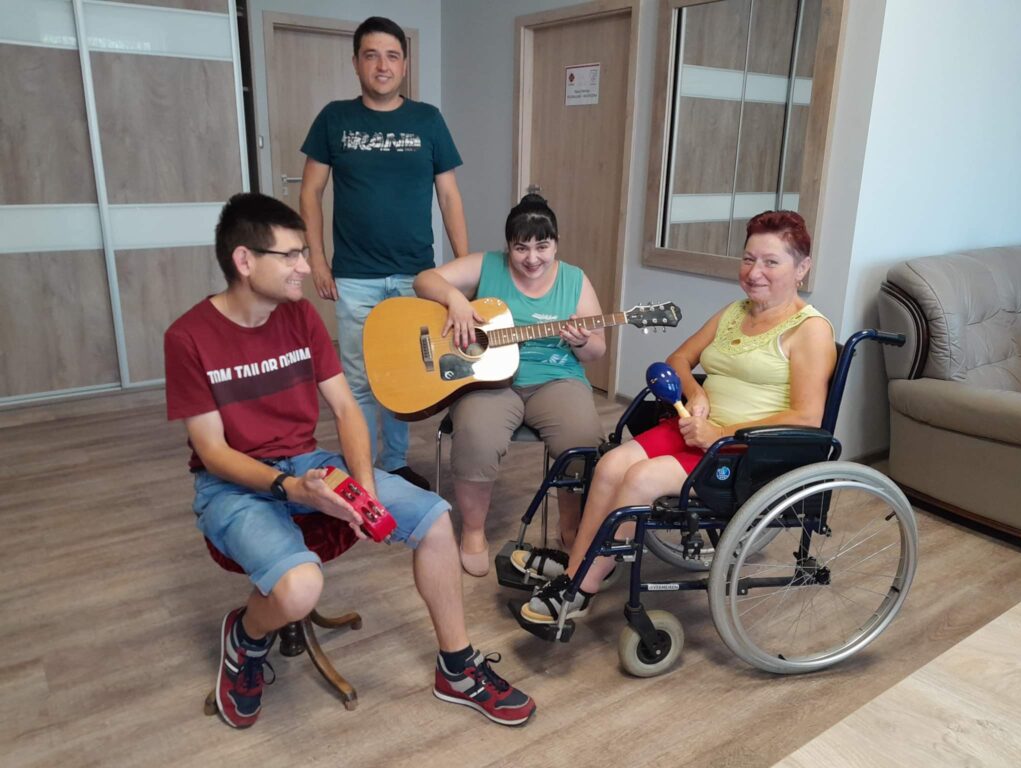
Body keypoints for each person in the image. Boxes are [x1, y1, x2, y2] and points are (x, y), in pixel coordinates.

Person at [164, 193, 534, 729]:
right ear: (244, 260)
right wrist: (292, 490)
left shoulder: (300, 317)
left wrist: (364, 488)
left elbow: (345, 407)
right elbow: (213, 452)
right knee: (300, 587)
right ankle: (244, 637)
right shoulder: (188, 337)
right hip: (231, 485)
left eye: (305, 252)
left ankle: (456, 669)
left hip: (305, 461)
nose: (306, 266)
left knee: (435, 520)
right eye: (291, 255)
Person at [517, 209, 837, 624]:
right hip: (695, 429)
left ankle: (579, 590)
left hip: (743, 451)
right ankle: (578, 568)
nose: (754, 272)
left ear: (802, 268)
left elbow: (807, 417)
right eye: (748, 259)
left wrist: (720, 432)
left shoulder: (809, 330)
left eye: (771, 262)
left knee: (640, 479)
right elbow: (679, 359)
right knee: (611, 464)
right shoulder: (735, 312)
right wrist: (697, 392)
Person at [299, 16, 468, 491]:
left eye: (392, 56)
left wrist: (463, 269)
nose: (382, 65)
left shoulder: (428, 120)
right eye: (371, 55)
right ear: (356, 63)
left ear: (404, 65)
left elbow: (449, 196)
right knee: (357, 379)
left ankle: (393, 464)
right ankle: (362, 469)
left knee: (402, 376)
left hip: (416, 276)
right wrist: (318, 259)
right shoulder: (334, 118)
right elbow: (310, 192)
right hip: (355, 276)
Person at [413, 193, 607, 577]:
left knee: (583, 438)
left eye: (542, 246)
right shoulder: (487, 265)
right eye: (521, 248)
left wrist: (582, 341)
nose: (532, 258)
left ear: (556, 244)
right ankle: (473, 531)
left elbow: (597, 350)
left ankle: (571, 527)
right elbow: (423, 280)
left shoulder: (575, 279)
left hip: (555, 378)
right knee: (476, 435)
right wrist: (455, 299)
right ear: (508, 247)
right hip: (488, 379)